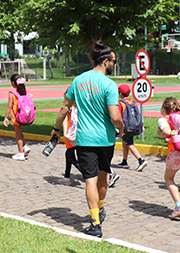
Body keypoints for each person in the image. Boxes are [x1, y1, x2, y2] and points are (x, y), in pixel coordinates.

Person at [52, 41, 124, 238]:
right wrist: (121, 128)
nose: (114, 65)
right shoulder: (109, 85)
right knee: (103, 175)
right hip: (106, 139)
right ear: (106, 61)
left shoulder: (78, 80)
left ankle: (95, 223)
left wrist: (56, 129)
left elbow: (64, 108)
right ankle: (99, 210)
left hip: (85, 140)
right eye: (114, 62)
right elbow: (115, 116)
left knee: (90, 180)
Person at [116, 84, 148, 172]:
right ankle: (124, 161)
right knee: (125, 142)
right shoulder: (133, 102)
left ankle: (141, 160)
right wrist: (141, 125)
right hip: (133, 125)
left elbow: (118, 116)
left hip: (126, 126)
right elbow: (138, 114)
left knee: (129, 143)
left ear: (120, 94)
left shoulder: (121, 103)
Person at [4, 73, 31, 161]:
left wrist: (6, 117)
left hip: (16, 116)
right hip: (25, 115)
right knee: (20, 132)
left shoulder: (12, 93)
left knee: (18, 134)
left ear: (13, 83)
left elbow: (9, 106)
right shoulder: (24, 92)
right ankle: (25, 147)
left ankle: (20, 153)